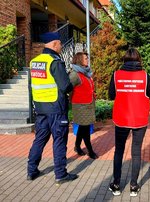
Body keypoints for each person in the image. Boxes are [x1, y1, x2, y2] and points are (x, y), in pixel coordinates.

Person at [27, 32, 78, 184]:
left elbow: (32, 86)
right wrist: (73, 80)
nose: (61, 46)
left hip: (41, 108)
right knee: (59, 140)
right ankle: (61, 174)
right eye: (60, 44)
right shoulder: (54, 61)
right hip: (56, 108)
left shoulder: (34, 61)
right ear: (55, 44)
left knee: (40, 140)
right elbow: (65, 86)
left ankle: (31, 170)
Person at [108, 48, 150, 197]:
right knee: (136, 151)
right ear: (139, 60)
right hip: (139, 119)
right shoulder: (145, 76)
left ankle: (116, 185)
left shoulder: (116, 75)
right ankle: (134, 186)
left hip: (121, 118)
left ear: (124, 59)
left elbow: (111, 95)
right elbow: (149, 95)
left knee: (119, 150)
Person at [69, 52, 98, 159]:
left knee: (83, 126)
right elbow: (67, 88)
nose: (87, 60)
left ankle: (77, 146)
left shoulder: (86, 73)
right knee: (85, 129)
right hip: (80, 106)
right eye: (85, 58)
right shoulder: (75, 74)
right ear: (79, 59)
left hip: (88, 104)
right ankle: (90, 150)